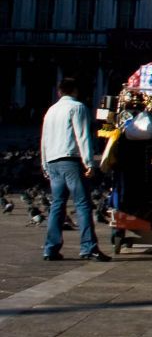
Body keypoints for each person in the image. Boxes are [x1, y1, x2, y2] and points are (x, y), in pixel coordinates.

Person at [39, 77, 107, 262]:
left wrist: (45, 164)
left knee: (57, 204)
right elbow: (82, 136)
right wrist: (89, 163)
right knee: (83, 204)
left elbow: (44, 140)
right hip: (71, 160)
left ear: (59, 92)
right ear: (75, 91)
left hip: (53, 160)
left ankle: (50, 248)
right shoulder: (77, 107)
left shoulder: (50, 111)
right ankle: (88, 247)